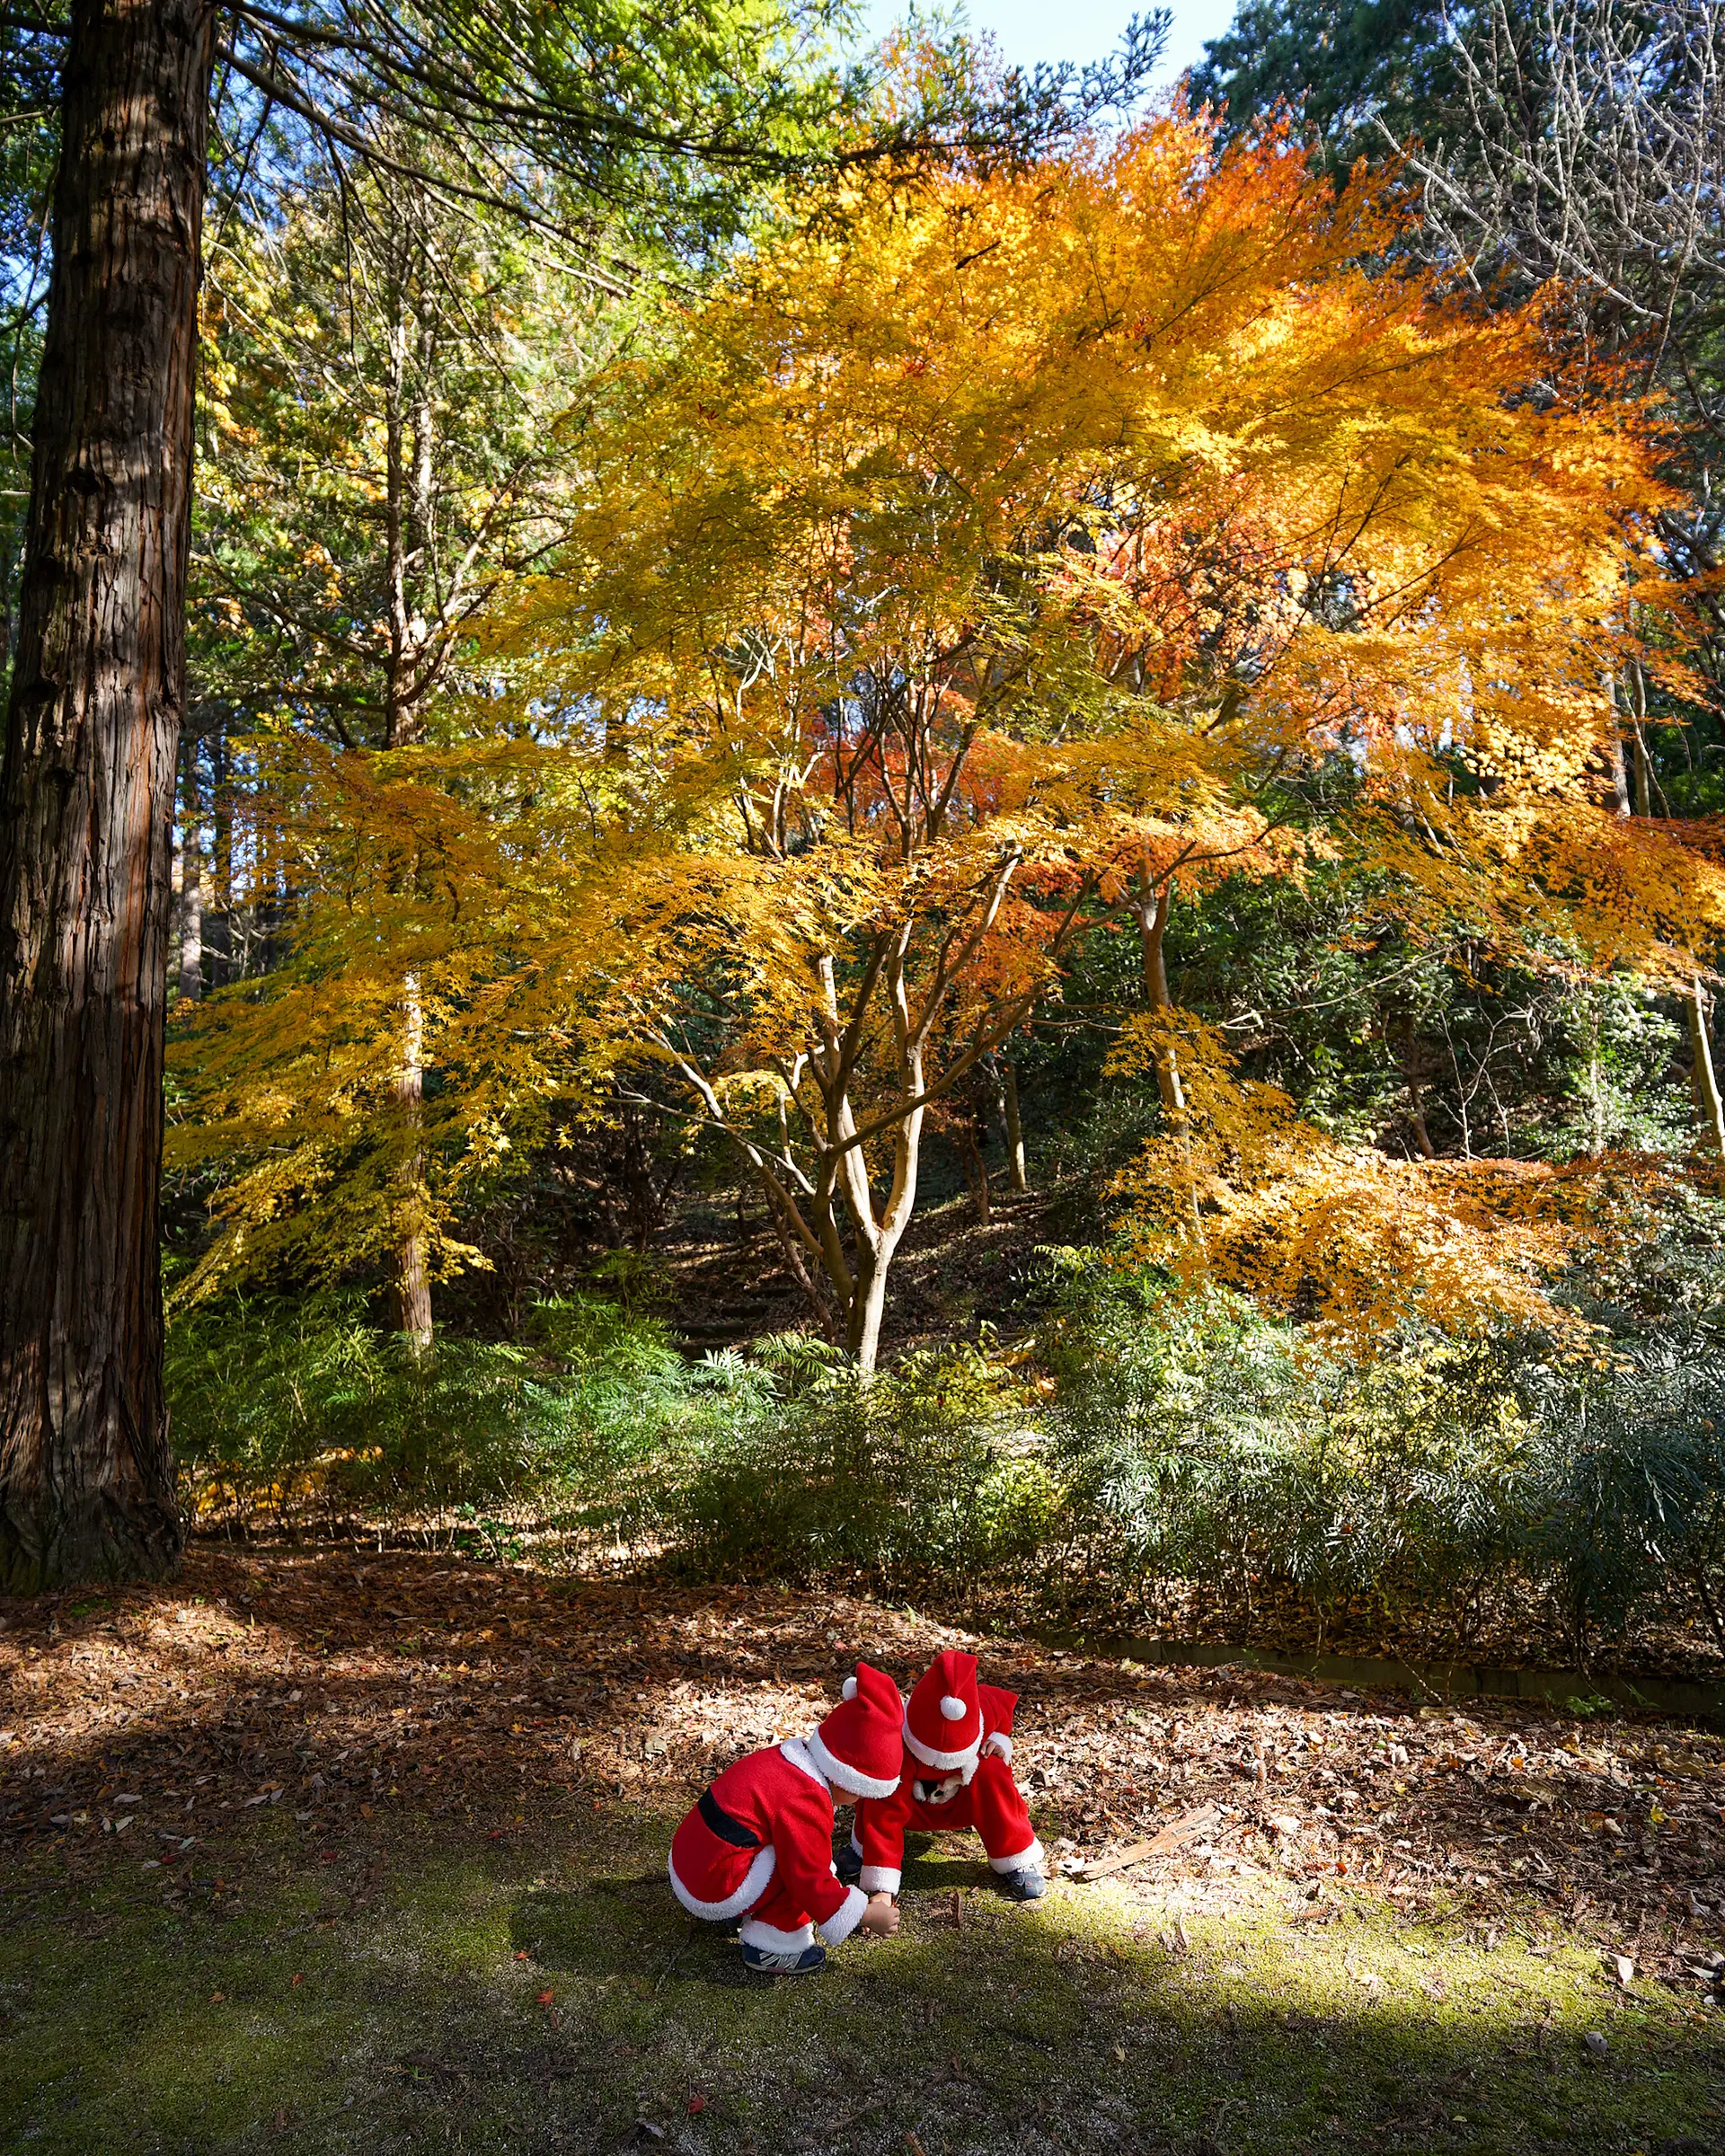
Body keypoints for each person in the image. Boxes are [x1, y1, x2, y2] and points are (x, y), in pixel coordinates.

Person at [668, 1660, 906, 1975]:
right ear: (848, 1777)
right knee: (794, 1862)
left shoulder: (791, 1758)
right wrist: (865, 1913)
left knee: (783, 1846)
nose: (859, 1800)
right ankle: (774, 1945)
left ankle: (743, 1907)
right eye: (863, 1791)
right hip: (711, 1884)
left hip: (691, 1861)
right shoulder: (804, 1798)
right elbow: (809, 1878)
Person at [842, 1648, 1046, 1902]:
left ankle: (1015, 1857)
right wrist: (883, 1888)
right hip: (911, 1803)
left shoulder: (984, 1709)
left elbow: (1002, 1712)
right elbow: (885, 1812)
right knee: (879, 1780)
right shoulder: (899, 1740)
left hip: (963, 1801)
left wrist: (998, 1740)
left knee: (993, 1769)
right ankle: (863, 1848)